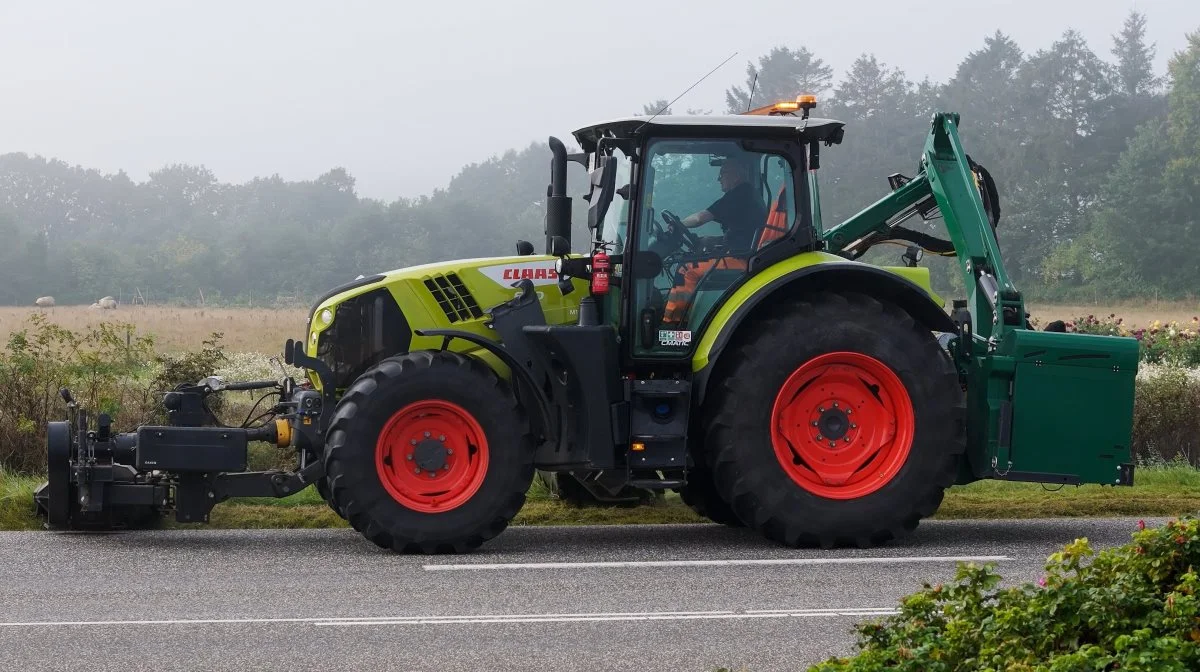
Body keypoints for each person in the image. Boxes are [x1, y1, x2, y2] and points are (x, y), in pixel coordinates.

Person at [661, 155, 769, 328]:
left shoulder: (740, 194)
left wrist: (677, 224)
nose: (719, 179)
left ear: (737, 174)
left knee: (686, 269)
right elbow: (743, 232)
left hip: (742, 259)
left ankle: (671, 328)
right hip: (743, 254)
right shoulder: (747, 195)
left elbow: (700, 218)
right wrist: (710, 241)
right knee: (692, 261)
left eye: (723, 172)